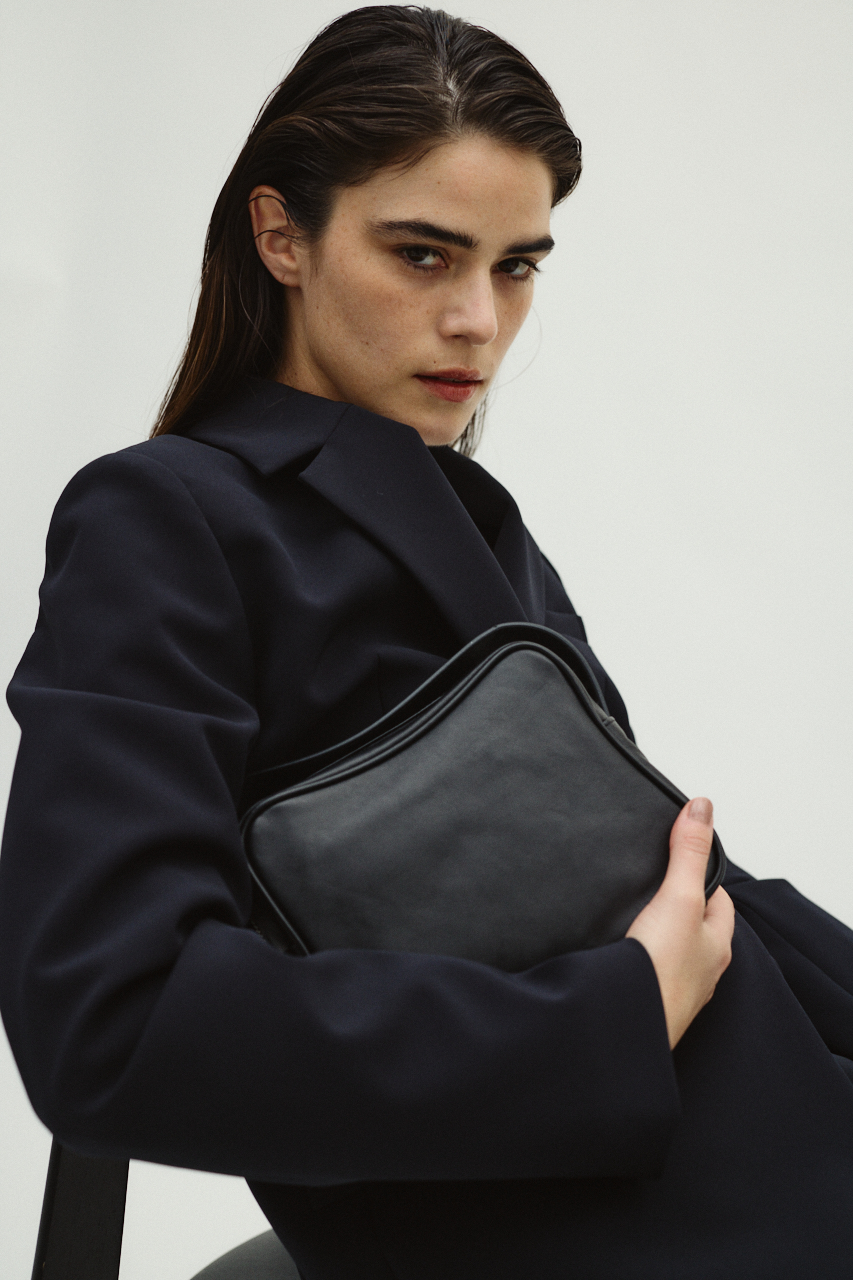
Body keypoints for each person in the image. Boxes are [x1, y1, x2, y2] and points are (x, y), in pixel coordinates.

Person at [2, 7, 853, 1278]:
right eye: (422, 254)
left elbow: (663, 869)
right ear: (281, 235)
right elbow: (112, 1020)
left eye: (516, 267)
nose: (477, 321)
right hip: (602, 1216)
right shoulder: (165, 516)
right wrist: (606, 1021)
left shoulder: (465, 513)